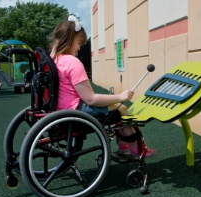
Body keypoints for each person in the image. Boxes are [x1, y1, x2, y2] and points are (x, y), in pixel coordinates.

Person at [48, 15, 156, 157]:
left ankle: (124, 147)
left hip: (59, 110)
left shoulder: (52, 60)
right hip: (75, 112)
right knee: (121, 108)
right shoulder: (72, 62)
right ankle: (136, 149)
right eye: (78, 42)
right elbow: (91, 99)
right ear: (69, 40)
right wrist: (120, 96)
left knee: (115, 110)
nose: (79, 48)